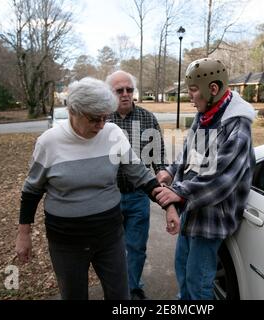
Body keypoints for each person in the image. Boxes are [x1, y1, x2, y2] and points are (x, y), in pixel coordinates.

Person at [15, 77, 175, 300]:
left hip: (109, 235)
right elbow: (31, 192)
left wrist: (168, 204)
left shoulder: (113, 133)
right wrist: (24, 234)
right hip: (66, 241)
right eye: (94, 119)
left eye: (105, 118)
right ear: (73, 111)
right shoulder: (49, 143)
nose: (101, 125)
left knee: (121, 296)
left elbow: (140, 175)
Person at [155, 58, 256, 300]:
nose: (189, 96)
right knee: (182, 269)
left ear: (212, 89)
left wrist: (180, 193)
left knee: (199, 282)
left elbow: (222, 178)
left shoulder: (237, 125)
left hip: (212, 214)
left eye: (192, 90)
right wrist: (170, 170)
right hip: (192, 208)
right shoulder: (208, 114)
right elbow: (191, 152)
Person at [105, 70, 167, 300]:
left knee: (137, 248)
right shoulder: (102, 119)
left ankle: (133, 288)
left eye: (129, 89)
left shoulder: (148, 118)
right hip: (108, 196)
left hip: (138, 196)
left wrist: (162, 171)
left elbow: (158, 154)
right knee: (112, 250)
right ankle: (117, 290)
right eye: (119, 90)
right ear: (110, 93)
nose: (125, 94)